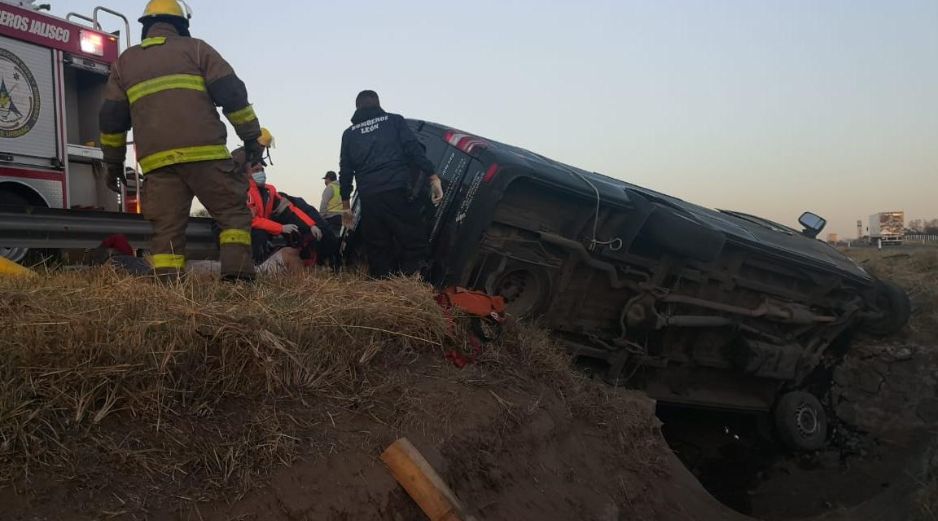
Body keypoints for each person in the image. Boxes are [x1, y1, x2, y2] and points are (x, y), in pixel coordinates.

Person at [98, 0, 263, 281]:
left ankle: (169, 291)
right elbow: (232, 95)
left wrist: (112, 165)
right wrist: (251, 138)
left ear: (146, 26)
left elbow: (112, 121)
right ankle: (237, 282)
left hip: (157, 164)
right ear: (181, 25)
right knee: (233, 217)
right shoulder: (197, 49)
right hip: (206, 156)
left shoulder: (124, 63)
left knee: (166, 230)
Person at [338, 90, 444, 278]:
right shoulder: (394, 121)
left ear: (357, 108)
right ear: (378, 104)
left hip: (370, 198)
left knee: (378, 247)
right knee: (413, 239)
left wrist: (346, 207)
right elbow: (414, 150)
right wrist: (433, 177)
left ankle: (383, 287)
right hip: (397, 191)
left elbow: (345, 171)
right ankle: (411, 279)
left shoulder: (349, 135)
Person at [230, 146, 335, 267]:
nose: (261, 173)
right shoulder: (242, 191)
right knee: (259, 234)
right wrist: (281, 228)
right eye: (256, 170)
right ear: (244, 174)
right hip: (238, 231)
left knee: (290, 218)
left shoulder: (269, 191)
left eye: (262, 170)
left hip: (261, 229)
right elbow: (252, 220)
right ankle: (254, 267)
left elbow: (290, 209)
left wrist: (311, 225)